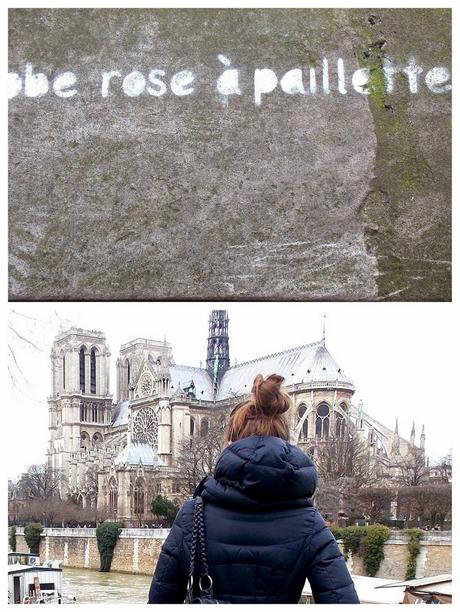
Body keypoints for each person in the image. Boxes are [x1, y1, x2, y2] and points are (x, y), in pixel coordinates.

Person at [148, 373, 360, 604]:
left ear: (231, 443)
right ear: (284, 443)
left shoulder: (193, 516)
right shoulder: (310, 523)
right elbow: (343, 602)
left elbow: (161, 601)